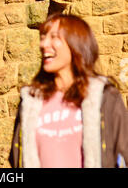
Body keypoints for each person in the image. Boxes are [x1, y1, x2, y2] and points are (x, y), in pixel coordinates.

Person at [10, 13, 128, 168]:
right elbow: (17, 158)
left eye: (54, 37)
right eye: (43, 37)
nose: (44, 44)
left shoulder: (104, 97)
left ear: (75, 43)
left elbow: (124, 152)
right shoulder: (31, 102)